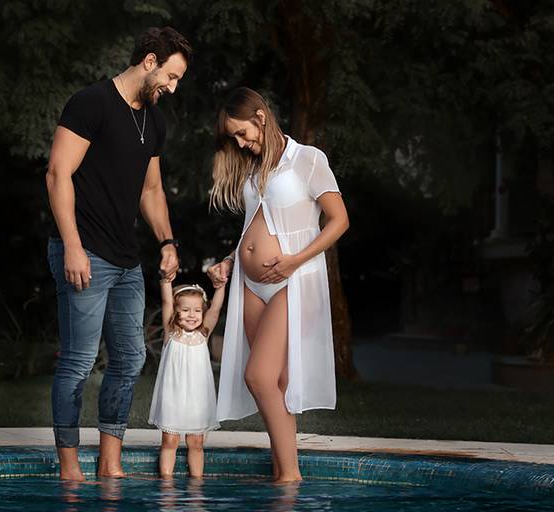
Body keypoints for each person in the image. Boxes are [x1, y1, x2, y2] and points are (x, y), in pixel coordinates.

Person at [45, 27, 193, 481]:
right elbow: (57, 174)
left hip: (126, 259)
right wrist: (72, 246)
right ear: (149, 61)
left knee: (130, 359)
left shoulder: (154, 119)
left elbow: (151, 189)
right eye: (170, 76)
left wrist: (167, 240)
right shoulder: (91, 103)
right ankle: (69, 464)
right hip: (84, 249)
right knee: (79, 360)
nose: (172, 87)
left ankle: (110, 461)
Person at [206, 87, 349, 482]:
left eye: (242, 133)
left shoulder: (308, 159)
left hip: (294, 281)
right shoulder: (254, 170)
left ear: (261, 118)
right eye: (233, 138)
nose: (240, 143)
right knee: (277, 383)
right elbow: (256, 224)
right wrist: (232, 261)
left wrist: (293, 262)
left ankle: (289, 476)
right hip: (252, 286)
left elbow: (339, 221)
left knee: (259, 376)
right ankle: (283, 474)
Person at [148, 281, 224, 478]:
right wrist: (165, 280)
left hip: (197, 400)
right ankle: (166, 484)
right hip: (173, 397)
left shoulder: (203, 335)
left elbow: (215, 309)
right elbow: (166, 300)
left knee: (196, 443)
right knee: (170, 441)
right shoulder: (171, 334)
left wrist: (221, 286)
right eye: (186, 310)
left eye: (197, 310)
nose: (192, 315)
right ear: (175, 311)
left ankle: (196, 486)